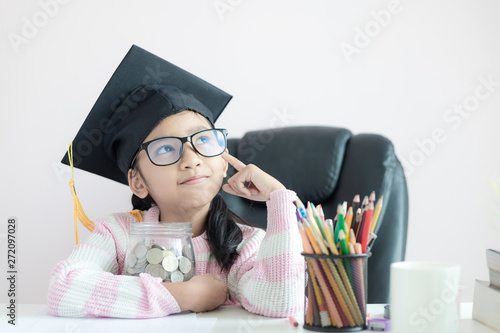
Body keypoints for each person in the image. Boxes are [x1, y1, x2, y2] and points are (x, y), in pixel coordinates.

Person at [46, 45, 304, 318]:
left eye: (204, 140)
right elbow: (64, 289)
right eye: (166, 148)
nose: (191, 160)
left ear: (224, 160)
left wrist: (279, 197)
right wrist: (183, 295)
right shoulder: (119, 235)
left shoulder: (243, 244)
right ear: (138, 182)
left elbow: (280, 303)